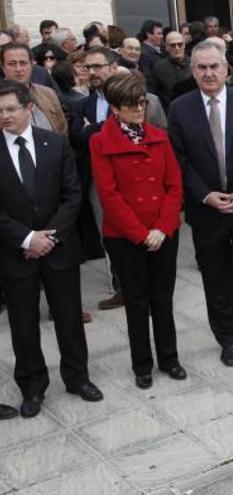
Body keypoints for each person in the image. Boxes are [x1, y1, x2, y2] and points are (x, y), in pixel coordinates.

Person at [0, 80, 103, 418]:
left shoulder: (56, 145)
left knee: (69, 318)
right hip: (16, 253)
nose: (5, 116)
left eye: (11, 109)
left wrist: (49, 237)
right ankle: (32, 386)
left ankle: (77, 377)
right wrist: (28, 239)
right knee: (24, 325)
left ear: (29, 108)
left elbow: (73, 196)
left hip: (59, 249)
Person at [167, 40, 233, 366]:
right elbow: (179, 160)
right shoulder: (180, 108)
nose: (209, 73)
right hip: (207, 211)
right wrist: (205, 195)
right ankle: (228, 338)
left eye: (214, 66)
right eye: (201, 67)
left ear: (226, 70)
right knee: (216, 277)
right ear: (193, 71)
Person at [88, 73, 186, 390]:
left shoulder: (158, 136)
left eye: (142, 103)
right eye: (132, 105)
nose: (140, 110)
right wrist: (141, 233)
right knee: (137, 301)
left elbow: (174, 185)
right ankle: (142, 364)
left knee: (163, 298)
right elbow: (109, 195)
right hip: (125, 237)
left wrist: (162, 227)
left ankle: (169, 358)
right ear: (115, 109)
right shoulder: (101, 143)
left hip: (163, 232)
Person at [70, 47, 166, 312]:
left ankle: (151, 283)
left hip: (145, 182)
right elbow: (77, 137)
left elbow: (157, 133)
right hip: (103, 181)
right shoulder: (83, 104)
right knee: (112, 232)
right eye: (87, 67)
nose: (92, 72)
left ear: (113, 67)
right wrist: (97, 130)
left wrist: (95, 128)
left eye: (97, 66)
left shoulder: (149, 101)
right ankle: (122, 286)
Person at [148, 31, 191, 111]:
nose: (177, 48)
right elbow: (155, 94)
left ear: (184, 45)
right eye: (173, 45)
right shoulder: (158, 68)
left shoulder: (194, 64)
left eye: (180, 44)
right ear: (166, 47)